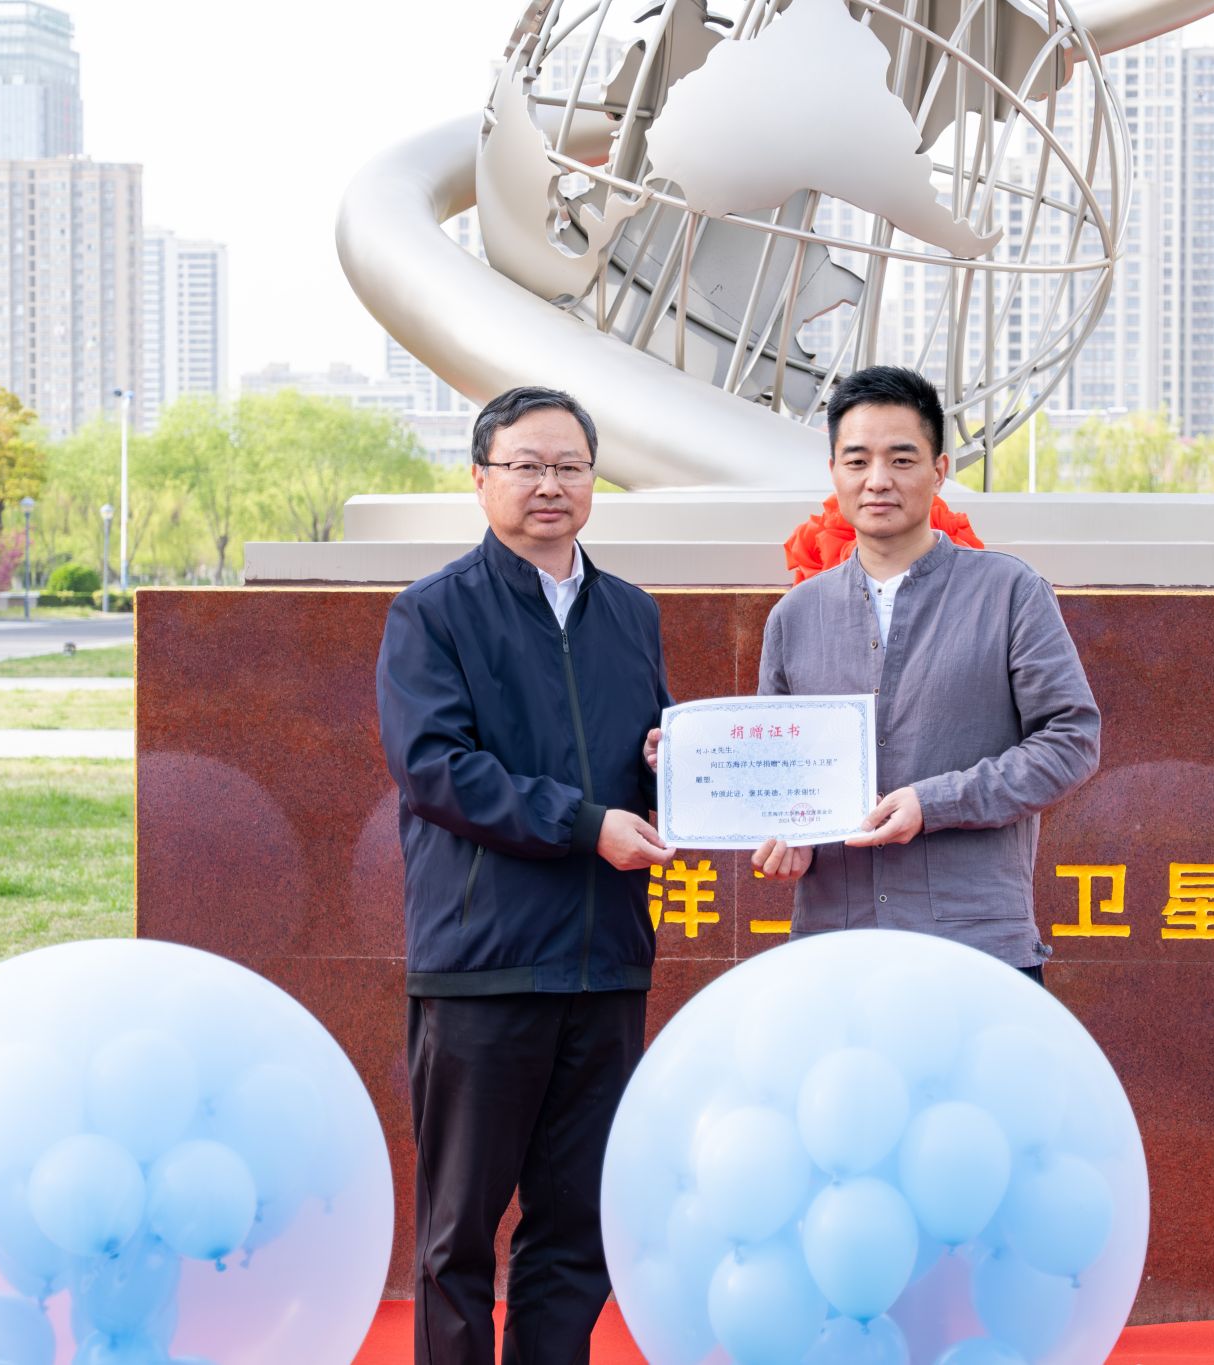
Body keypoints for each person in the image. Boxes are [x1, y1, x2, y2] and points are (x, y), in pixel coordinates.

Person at [375, 385, 674, 1365]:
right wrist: (587, 826)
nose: (550, 485)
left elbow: (644, 759)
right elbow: (436, 769)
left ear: (593, 480)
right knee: (458, 1235)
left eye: (570, 467)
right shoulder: (432, 613)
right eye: (526, 466)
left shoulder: (630, 613)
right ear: (480, 479)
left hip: (605, 964)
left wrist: (672, 771)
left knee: (573, 1232)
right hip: (485, 966)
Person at [749, 366, 1100, 979]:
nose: (878, 479)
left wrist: (933, 802)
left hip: (976, 950)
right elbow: (779, 773)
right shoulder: (795, 617)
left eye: (901, 459)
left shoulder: (1009, 592)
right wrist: (788, 836)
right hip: (837, 950)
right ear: (834, 471)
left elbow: (1071, 741)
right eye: (857, 461)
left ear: (939, 471)